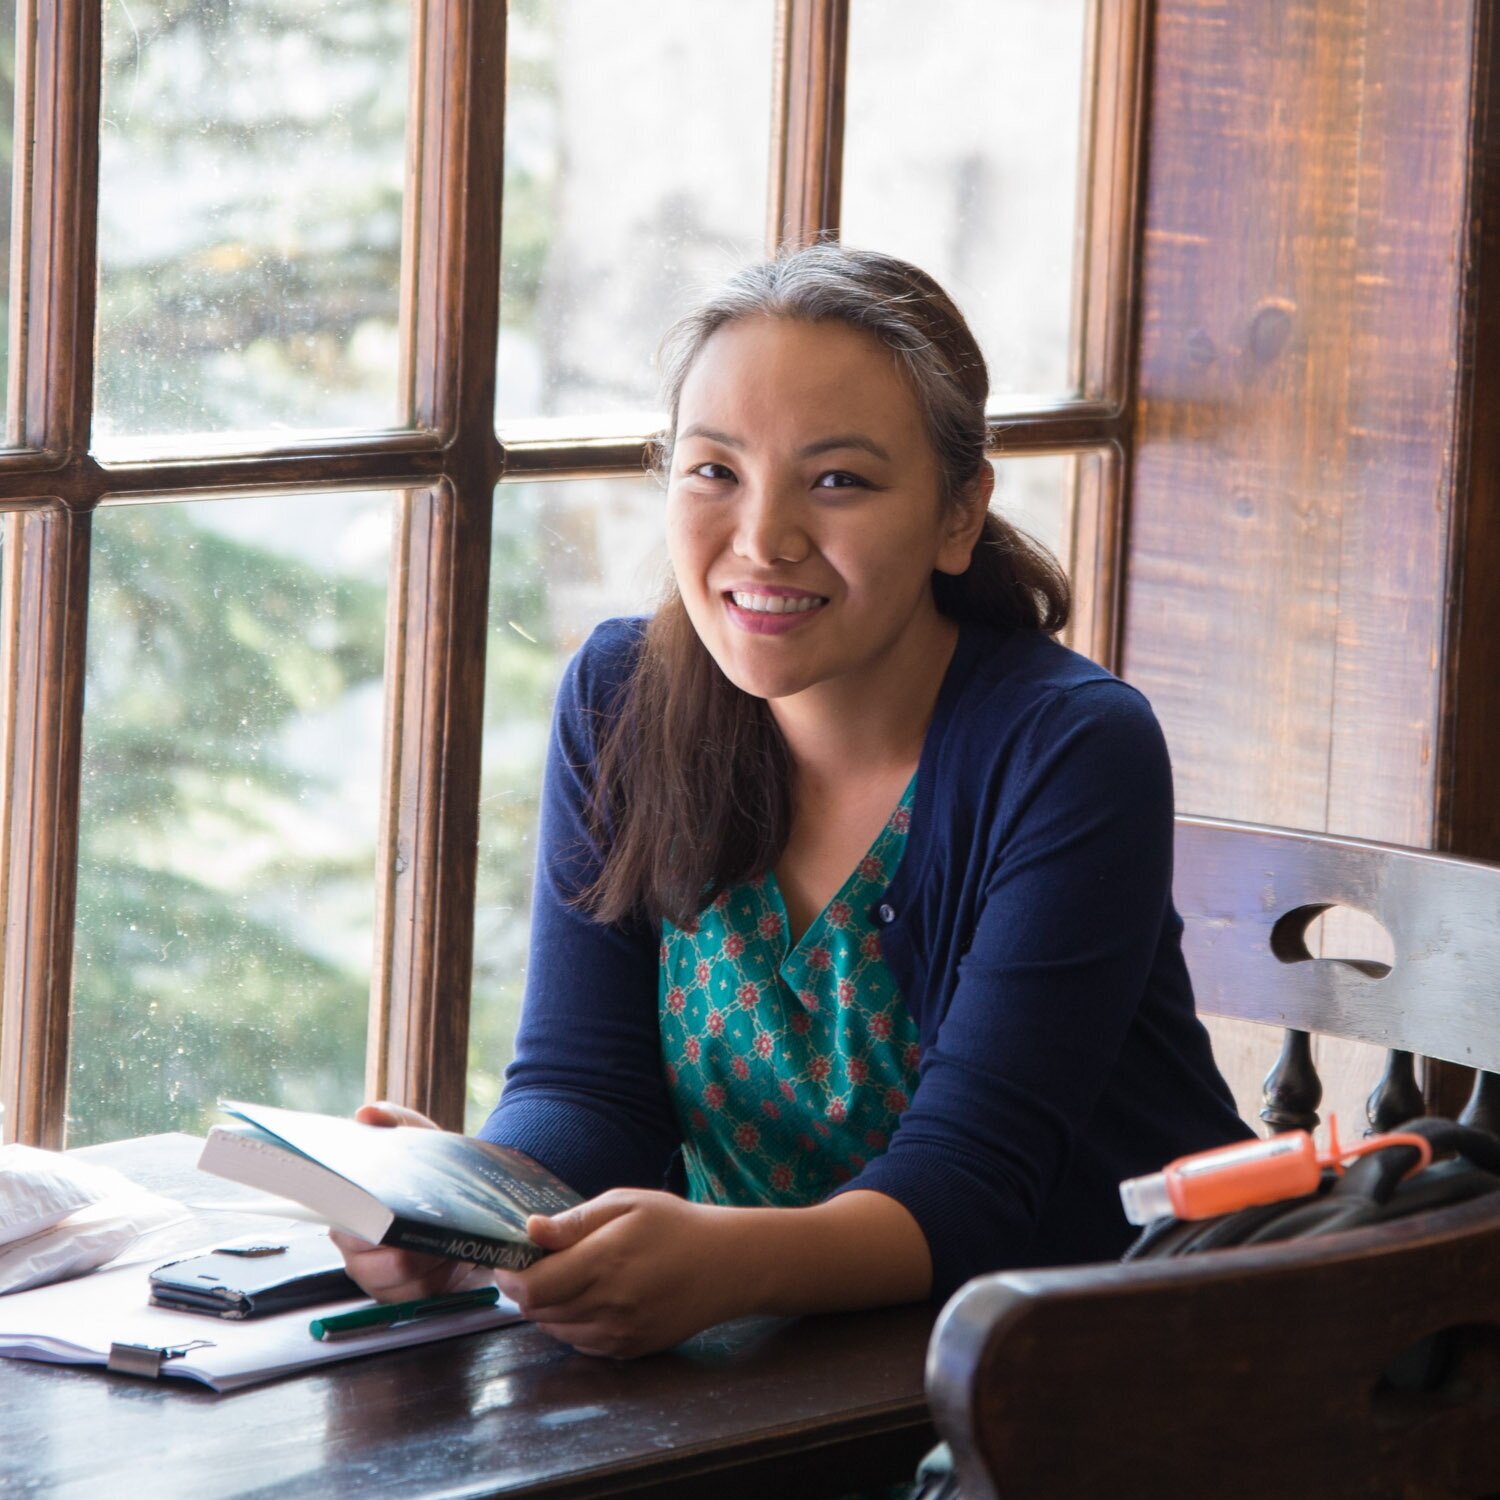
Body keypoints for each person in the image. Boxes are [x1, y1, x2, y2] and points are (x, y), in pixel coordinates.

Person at [332, 244, 1250, 1358]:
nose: (762, 540)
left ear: (960, 514)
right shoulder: (621, 698)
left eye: (840, 481)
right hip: (790, 1376)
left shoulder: (1069, 748)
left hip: (1107, 1376)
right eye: (714, 471)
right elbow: (588, 1088)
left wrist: (726, 1262)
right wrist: (481, 1210)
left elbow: (974, 1188)